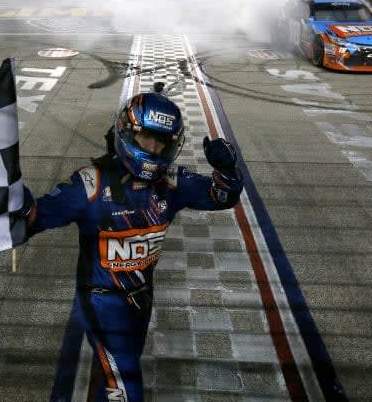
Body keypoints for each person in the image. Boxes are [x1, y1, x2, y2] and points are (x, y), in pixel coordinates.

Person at [20, 90, 244, 402]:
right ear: (127, 133)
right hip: (101, 302)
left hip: (140, 298)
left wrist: (228, 172)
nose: (154, 149)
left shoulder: (172, 183)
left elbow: (222, 197)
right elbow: (32, 220)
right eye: (147, 139)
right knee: (126, 382)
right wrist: (18, 204)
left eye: (162, 142)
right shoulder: (91, 184)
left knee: (118, 374)